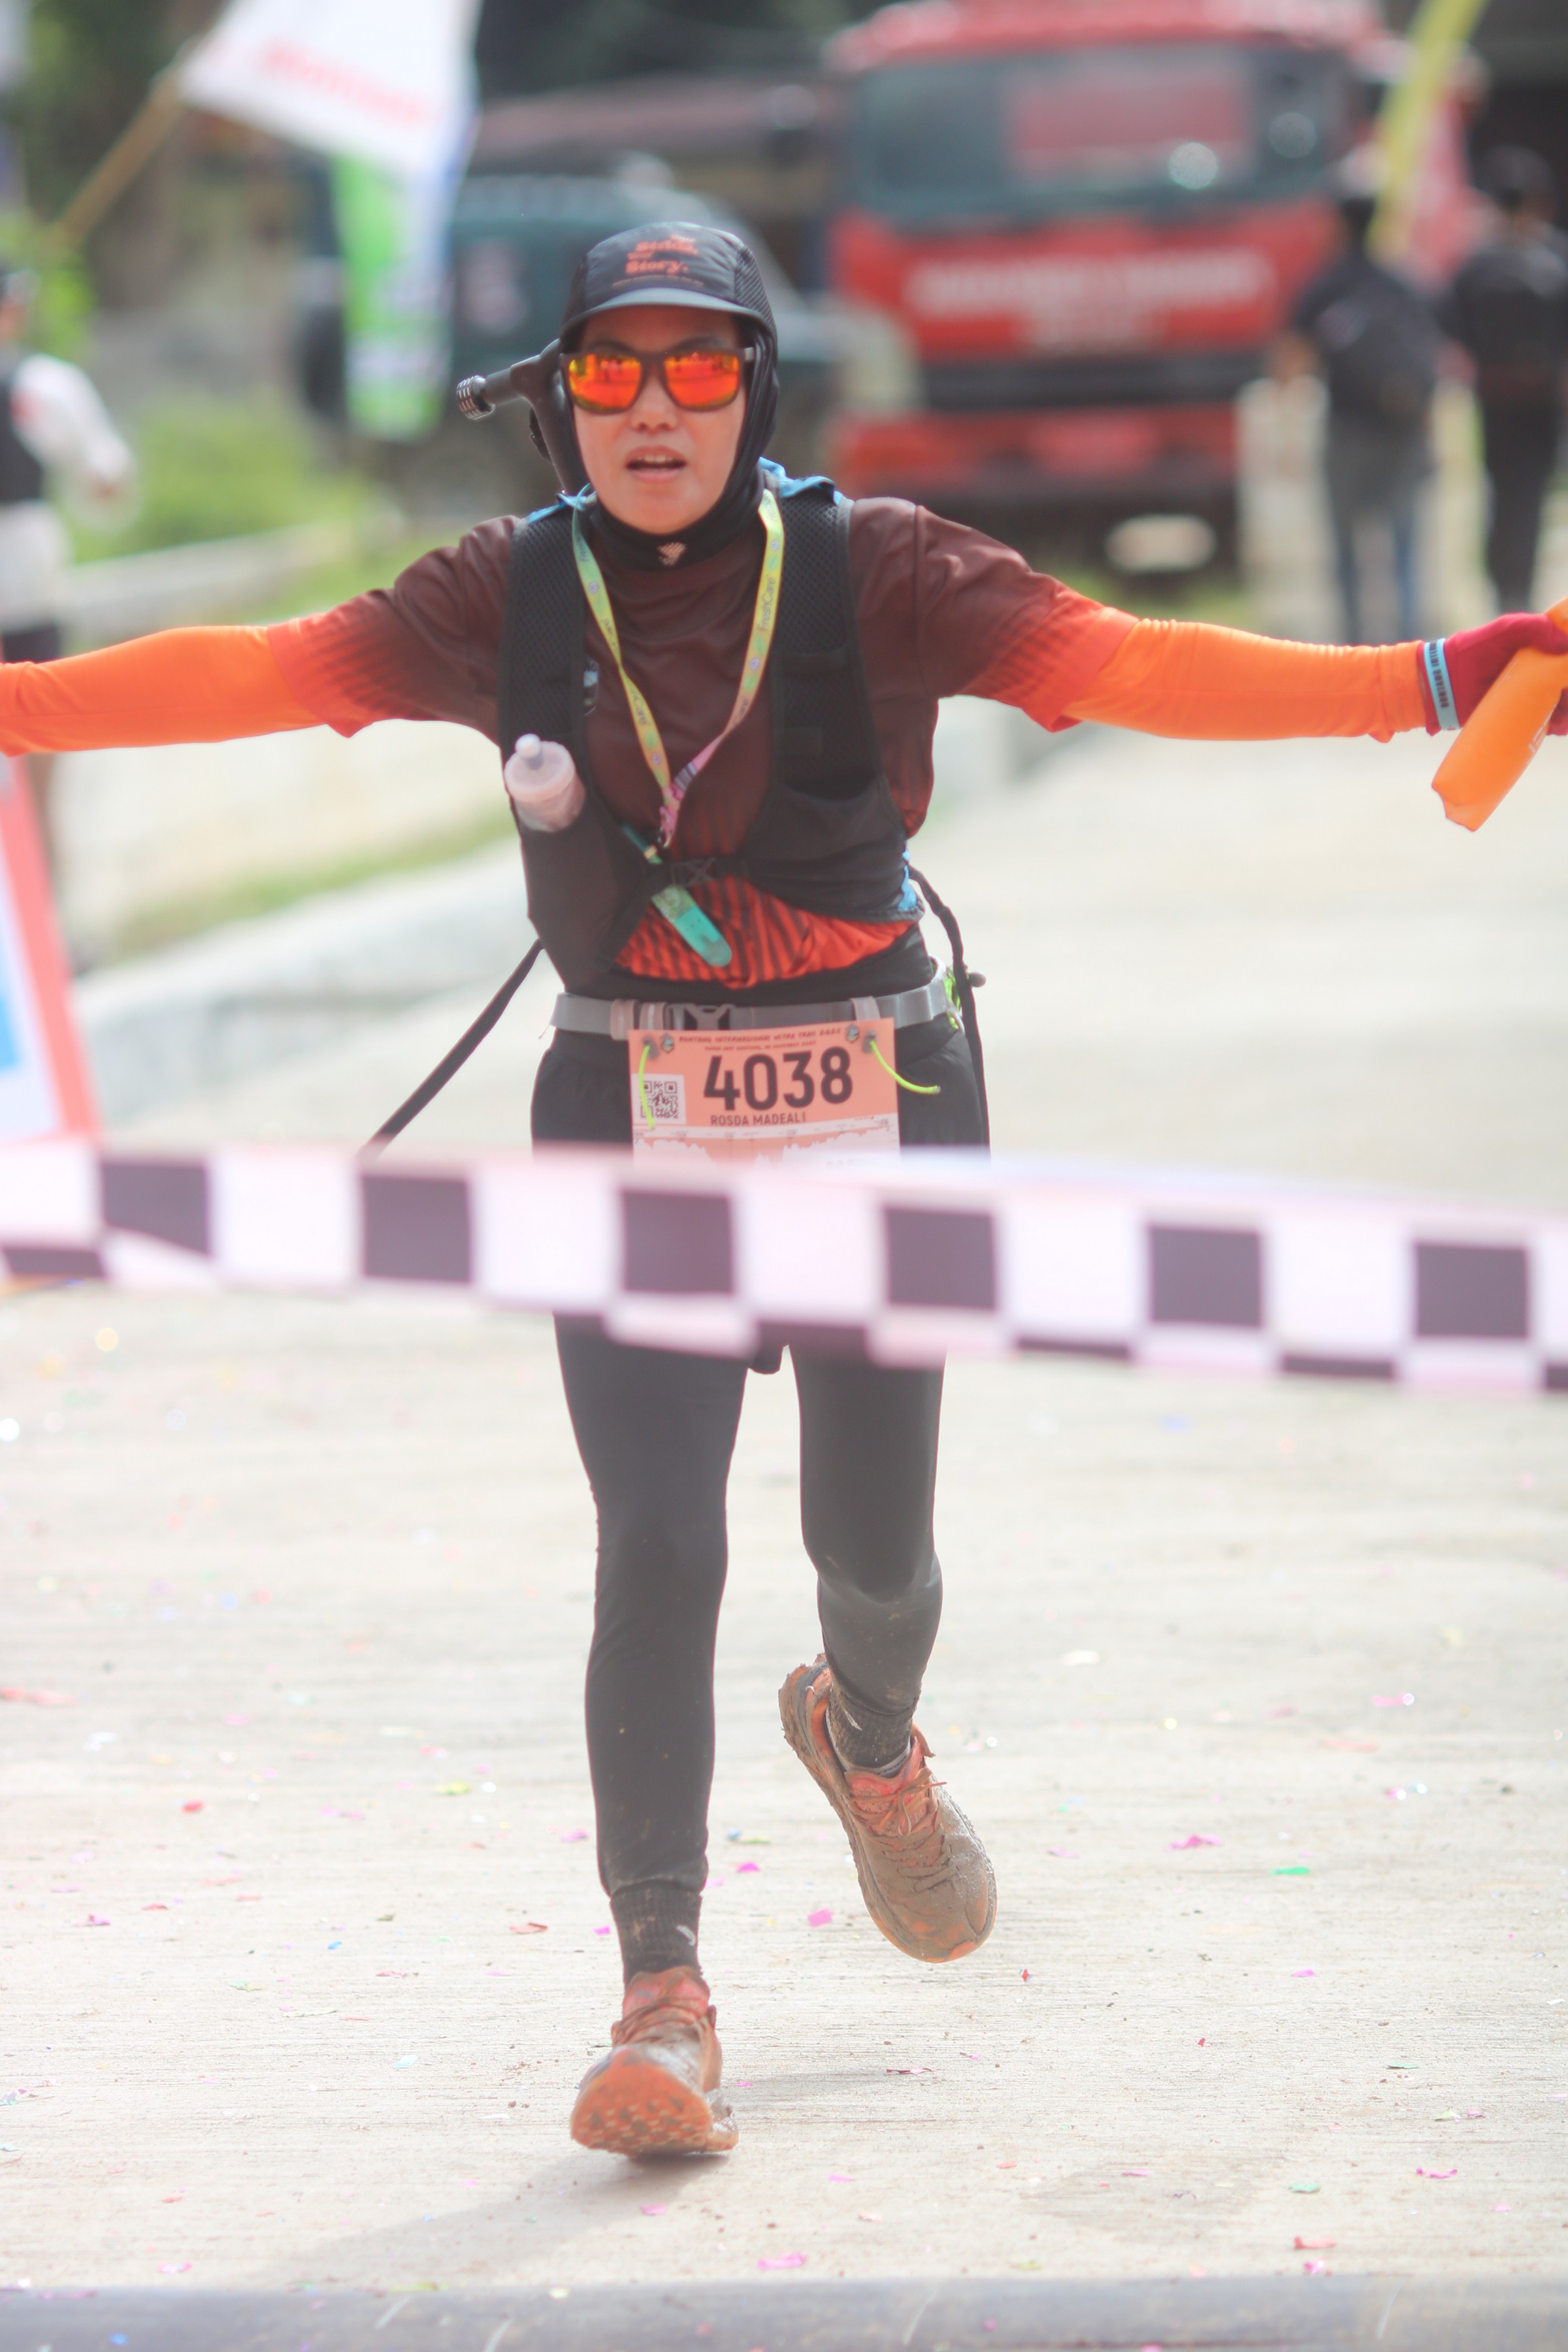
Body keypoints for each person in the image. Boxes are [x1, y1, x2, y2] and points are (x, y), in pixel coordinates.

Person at [0, 224, 1563, 2159]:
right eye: (611, 369)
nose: (653, 408)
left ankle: (865, 1731)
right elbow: (251, 672)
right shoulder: (500, 591)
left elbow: (1137, 664)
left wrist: (1431, 675)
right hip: (623, 1096)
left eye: (696, 366)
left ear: (755, 385)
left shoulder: (884, 567)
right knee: (655, 1540)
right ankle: (659, 1999)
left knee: (875, 1558)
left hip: (878, 1093)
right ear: (559, 397)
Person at [0, 261, 135, 859]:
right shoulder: (44, 386)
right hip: (28, 577)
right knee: (38, 747)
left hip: (29, 577)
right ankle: (42, 898)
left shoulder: (41, 387)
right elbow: (106, 480)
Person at [1275, 164, 1440, 645]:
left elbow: (1290, 365)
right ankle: (1410, 642)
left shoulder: (1323, 287)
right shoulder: (1406, 282)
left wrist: (1286, 431)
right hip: (1402, 428)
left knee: (1345, 545)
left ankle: (1352, 644)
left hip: (1346, 427)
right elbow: (1433, 360)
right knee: (1404, 540)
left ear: (1337, 222)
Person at [1441, 148, 1568, 612]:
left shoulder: (1475, 267)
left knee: (1499, 492)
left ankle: (1503, 591)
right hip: (1542, 398)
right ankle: (1522, 591)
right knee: (1532, 495)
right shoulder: (1557, 262)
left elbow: (1451, 332)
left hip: (1494, 397)